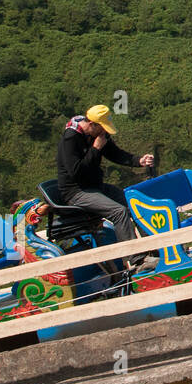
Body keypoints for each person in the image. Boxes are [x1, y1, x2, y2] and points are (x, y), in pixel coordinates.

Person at [55, 104, 156, 268]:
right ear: (92, 124)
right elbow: (76, 172)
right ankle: (137, 260)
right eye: (102, 128)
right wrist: (95, 149)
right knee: (119, 212)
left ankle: (155, 248)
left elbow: (115, 153)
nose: (105, 133)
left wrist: (139, 160)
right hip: (76, 191)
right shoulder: (71, 138)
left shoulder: (99, 135)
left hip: (95, 186)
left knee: (133, 203)